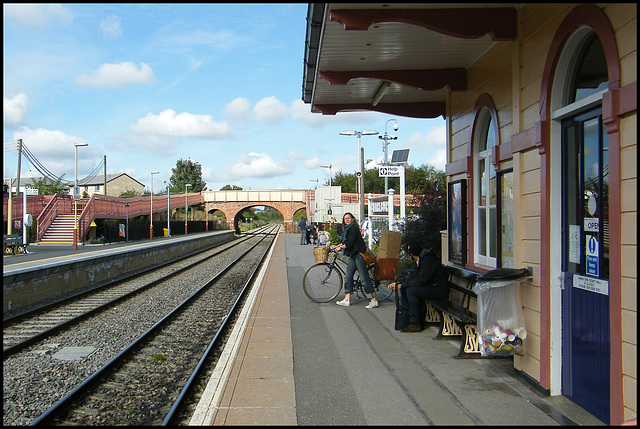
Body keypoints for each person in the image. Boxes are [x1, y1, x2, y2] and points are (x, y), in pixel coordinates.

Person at [388, 238, 449, 332]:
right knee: (406, 288)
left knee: (411, 291)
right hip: (433, 286)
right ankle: (406, 317)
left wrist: (403, 285)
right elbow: (416, 277)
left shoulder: (428, 260)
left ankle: (415, 322)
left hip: (438, 289)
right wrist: (401, 284)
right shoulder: (424, 259)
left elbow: (421, 280)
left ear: (412, 254)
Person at [332, 212, 378, 309]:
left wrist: (339, 248)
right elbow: (344, 242)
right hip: (353, 255)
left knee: (364, 278)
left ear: (353, 219)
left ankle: (373, 300)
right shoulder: (347, 230)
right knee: (348, 276)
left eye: (349, 218)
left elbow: (349, 243)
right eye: (345, 219)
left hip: (359, 255)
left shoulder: (354, 229)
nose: (347, 220)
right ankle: (347, 299)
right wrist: (336, 246)